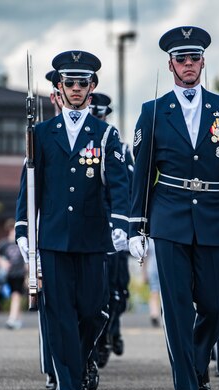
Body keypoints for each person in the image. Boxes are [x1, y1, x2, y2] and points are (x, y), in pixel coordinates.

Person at [129, 26, 219, 390]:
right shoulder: (152, 112)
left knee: (217, 306)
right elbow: (142, 172)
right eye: (181, 59)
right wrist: (137, 223)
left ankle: (197, 363)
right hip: (168, 217)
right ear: (171, 64)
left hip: (215, 216)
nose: (188, 65)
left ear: (204, 63)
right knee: (176, 311)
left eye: (194, 59)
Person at [15, 50, 130, 390]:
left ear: (92, 87)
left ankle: (80, 365)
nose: (76, 88)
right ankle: (68, 385)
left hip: (92, 236)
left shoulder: (104, 133)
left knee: (95, 309)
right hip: (52, 235)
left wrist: (122, 224)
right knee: (57, 312)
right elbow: (29, 186)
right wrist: (23, 228)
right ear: (59, 88)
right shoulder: (41, 133)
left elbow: (119, 185)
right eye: (70, 83)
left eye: (83, 82)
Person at [88, 92, 134, 369]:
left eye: (101, 115)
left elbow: (125, 187)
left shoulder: (119, 147)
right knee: (97, 291)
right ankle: (99, 341)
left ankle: (112, 331)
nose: (97, 119)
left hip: (113, 228)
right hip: (90, 224)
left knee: (118, 289)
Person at [0, 218, 26, 329]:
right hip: (8, 274)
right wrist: (2, 262)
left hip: (20, 273)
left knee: (16, 294)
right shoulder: (4, 244)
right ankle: (17, 319)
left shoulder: (22, 242)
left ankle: (12, 318)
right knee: (15, 296)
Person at [143, 238, 161, 327]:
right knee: (156, 293)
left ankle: (154, 314)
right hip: (159, 270)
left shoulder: (149, 239)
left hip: (152, 269)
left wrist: (144, 273)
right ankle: (155, 314)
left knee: (154, 293)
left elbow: (145, 257)